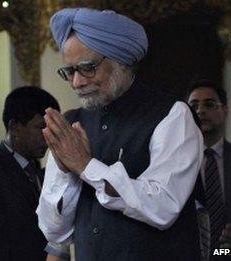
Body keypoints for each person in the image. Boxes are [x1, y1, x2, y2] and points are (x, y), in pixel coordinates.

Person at [36, 8, 204, 261]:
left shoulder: (172, 116)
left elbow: (163, 207)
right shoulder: (72, 125)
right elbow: (54, 232)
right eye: (69, 72)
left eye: (87, 68)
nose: (77, 82)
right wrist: (65, 171)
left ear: (121, 62)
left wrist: (85, 165)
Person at [0, 86, 60, 260]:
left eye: (52, 129)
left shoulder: (37, 171)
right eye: (41, 127)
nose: (48, 136)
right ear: (14, 127)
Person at [187, 79, 231, 259]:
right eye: (193, 105)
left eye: (209, 104)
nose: (200, 110)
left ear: (225, 110)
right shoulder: (175, 161)